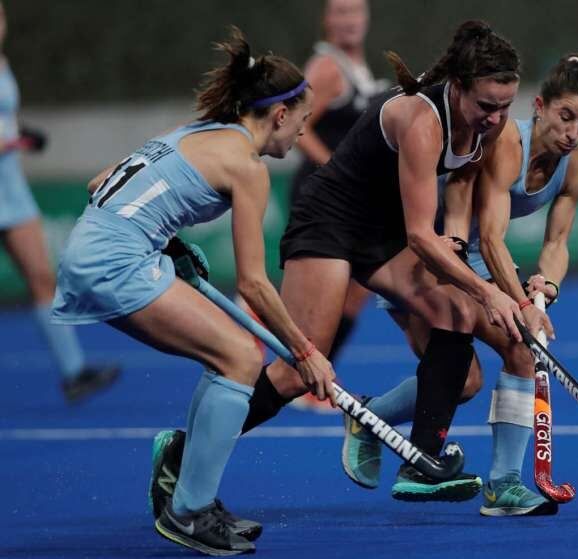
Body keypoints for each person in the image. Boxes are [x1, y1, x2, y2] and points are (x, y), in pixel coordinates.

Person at [148, 19, 527, 513]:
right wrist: (489, 289)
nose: (496, 118)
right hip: (329, 222)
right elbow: (419, 235)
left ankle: (421, 463)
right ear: (457, 87)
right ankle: (180, 451)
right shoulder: (423, 121)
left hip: (379, 230)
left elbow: (458, 187)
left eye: (505, 106)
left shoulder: (484, 127)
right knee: (298, 372)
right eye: (486, 106)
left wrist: (458, 249)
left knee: (456, 311)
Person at [51, 28, 334, 556]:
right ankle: (188, 511)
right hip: (117, 262)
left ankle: (188, 493)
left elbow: (100, 184)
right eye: (303, 119)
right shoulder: (247, 167)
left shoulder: (197, 129)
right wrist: (304, 351)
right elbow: (253, 283)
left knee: (229, 357)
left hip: (95, 248)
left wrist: (169, 240)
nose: (302, 132)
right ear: (279, 115)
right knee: (240, 358)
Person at [342, 51, 578, 516]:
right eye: (565, 117)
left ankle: (502, 485)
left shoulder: (576, 166)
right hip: (424, 254)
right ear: (539, 106)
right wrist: (522, 304)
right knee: (466, 376)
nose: (573, 132)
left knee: (509, 358)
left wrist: (548, 287)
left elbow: (557, 243)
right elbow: (495, 237)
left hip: (477, 258)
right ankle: (372, 419)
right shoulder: (505, 143)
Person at [0, 1, 119, 403]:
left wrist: (21, 133)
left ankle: (74, 373)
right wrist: (11, 139)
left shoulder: (3, 63)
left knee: (42, 277)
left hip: (12, 191)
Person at [288, 0, 386, 412]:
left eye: (355, 12)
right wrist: (336, 169)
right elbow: (298, 126)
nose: (349, 21)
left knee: (356, 292)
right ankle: (305, 381)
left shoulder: (357, 67)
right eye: (340, 13)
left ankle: (320, 374)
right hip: (324, 196)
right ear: (327, 20)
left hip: (353, 200)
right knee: (324, 298)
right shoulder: (326, 68)